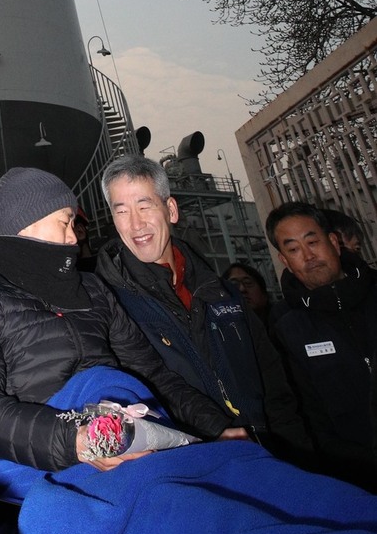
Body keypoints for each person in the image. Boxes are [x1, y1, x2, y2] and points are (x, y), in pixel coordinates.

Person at [0, 168, 377, 534]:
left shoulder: (92, 290)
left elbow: (155, 375)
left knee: (251, 472)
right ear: (28, 223)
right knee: (181, 515)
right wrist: (77, 442)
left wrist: (217, 427)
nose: (75, 237)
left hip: (141, 427)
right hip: (54, 453)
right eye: (63, 222)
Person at [96, 154, 309, 460]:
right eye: (122, 212)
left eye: (144, 206)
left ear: (170, 210)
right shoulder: (111, 305)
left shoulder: (223, 294)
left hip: (267, 456)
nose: (136, 224)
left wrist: (297, 456)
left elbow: (274, 384)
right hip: (192, 465)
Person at [268, 200, 377, 489]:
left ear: (333, 241)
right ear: (284, 260)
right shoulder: (284, 329)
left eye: (312, 241)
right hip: (358, 481)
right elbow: (308, 418)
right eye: (293, 249)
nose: (307, 255)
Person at [221, 259, 273, 325]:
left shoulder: (283, 325)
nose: (242, 289)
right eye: (234, 285)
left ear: (264, 295)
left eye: (248, 283)